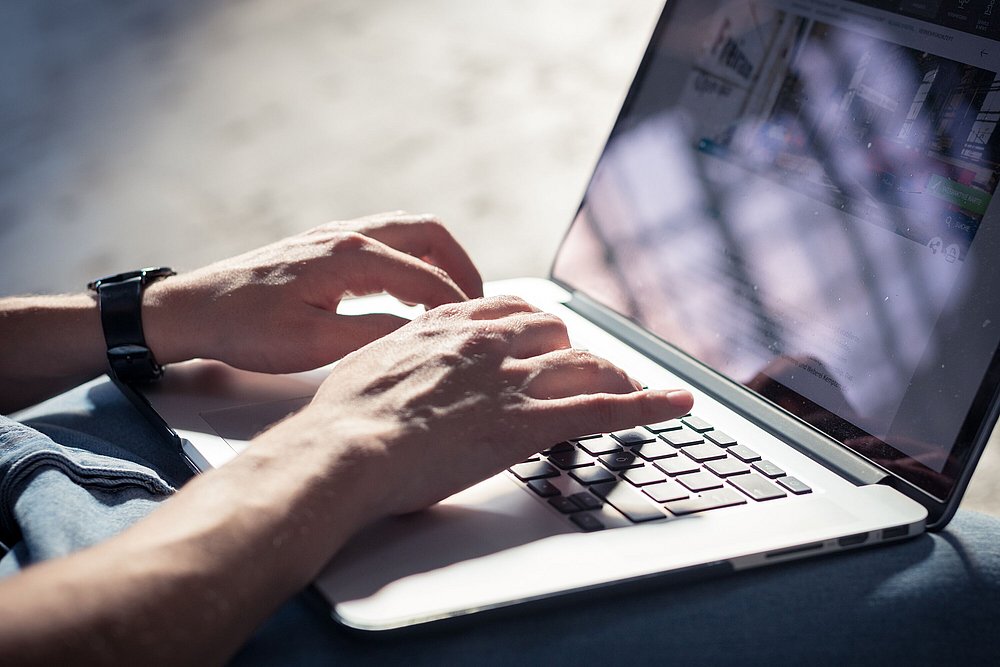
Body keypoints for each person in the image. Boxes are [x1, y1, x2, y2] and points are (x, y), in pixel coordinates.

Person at [0, 213, 997, 666]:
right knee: (975, 581)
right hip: (175, 607)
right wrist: (332, 448)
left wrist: (139, 319)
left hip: (67, 451)